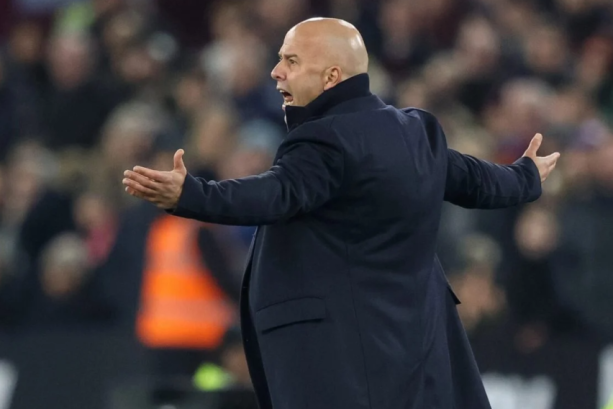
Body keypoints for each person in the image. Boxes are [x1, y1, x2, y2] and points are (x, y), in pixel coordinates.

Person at [122, 17, 559, 409]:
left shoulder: (325, 140)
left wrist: (192, 194)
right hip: (415, 353)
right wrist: (527, 176)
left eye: (291, 61)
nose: (276, 71)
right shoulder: (416, 133)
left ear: (331, 77)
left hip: (339, 364)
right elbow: (477, 181)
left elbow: (276, 193)